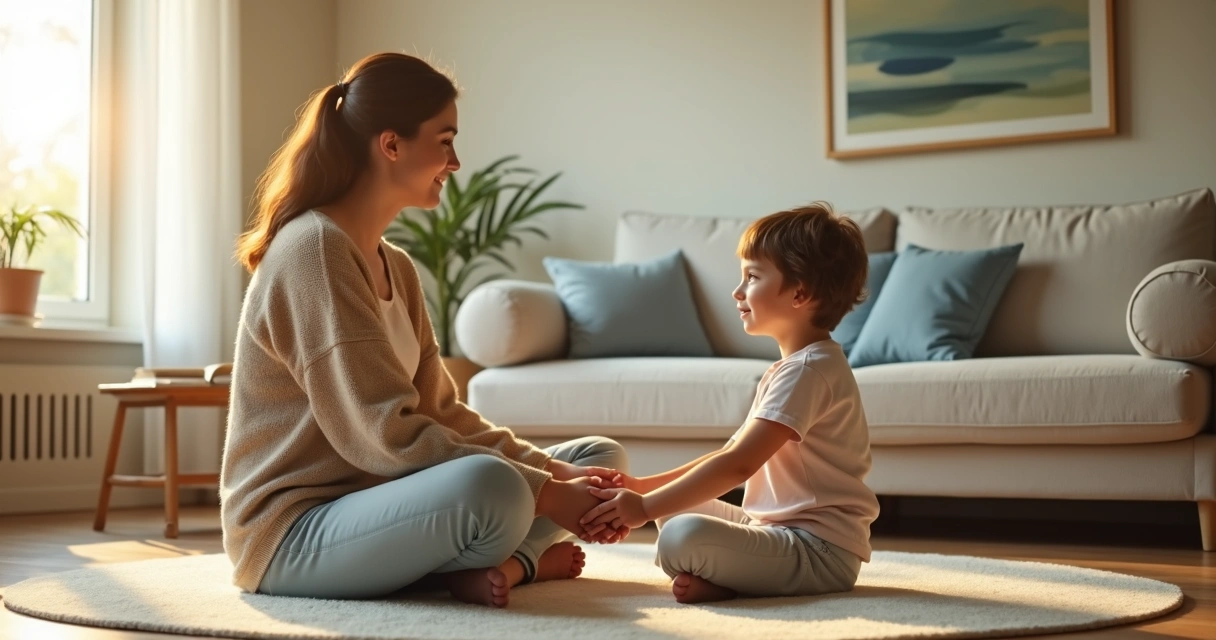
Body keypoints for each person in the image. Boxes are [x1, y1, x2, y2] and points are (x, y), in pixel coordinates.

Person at [221, 52, 627, 608]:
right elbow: (383, 432)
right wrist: (547, 493)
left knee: (598, 462)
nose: (455, 161)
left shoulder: (397, 266)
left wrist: (555, 473)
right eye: (444, 140)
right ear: (391, 145)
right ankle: (515, 565)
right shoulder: (314, 249)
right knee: (496, 487)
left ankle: (504, 566)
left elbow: (440, 411)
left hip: (384, 506)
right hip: (293, 534)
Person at [580, 203, 880, 603]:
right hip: (774, 528)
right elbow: (728, 453)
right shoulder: (794, 366)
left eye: (752, 277)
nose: (737, 292)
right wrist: (643, 489)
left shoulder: (808, 371)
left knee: (680, 535)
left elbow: (739, 465)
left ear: (800, 292)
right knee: (676, 509)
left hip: (818, 552)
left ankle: (731, 579)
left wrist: (642, 508)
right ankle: (727, 580)